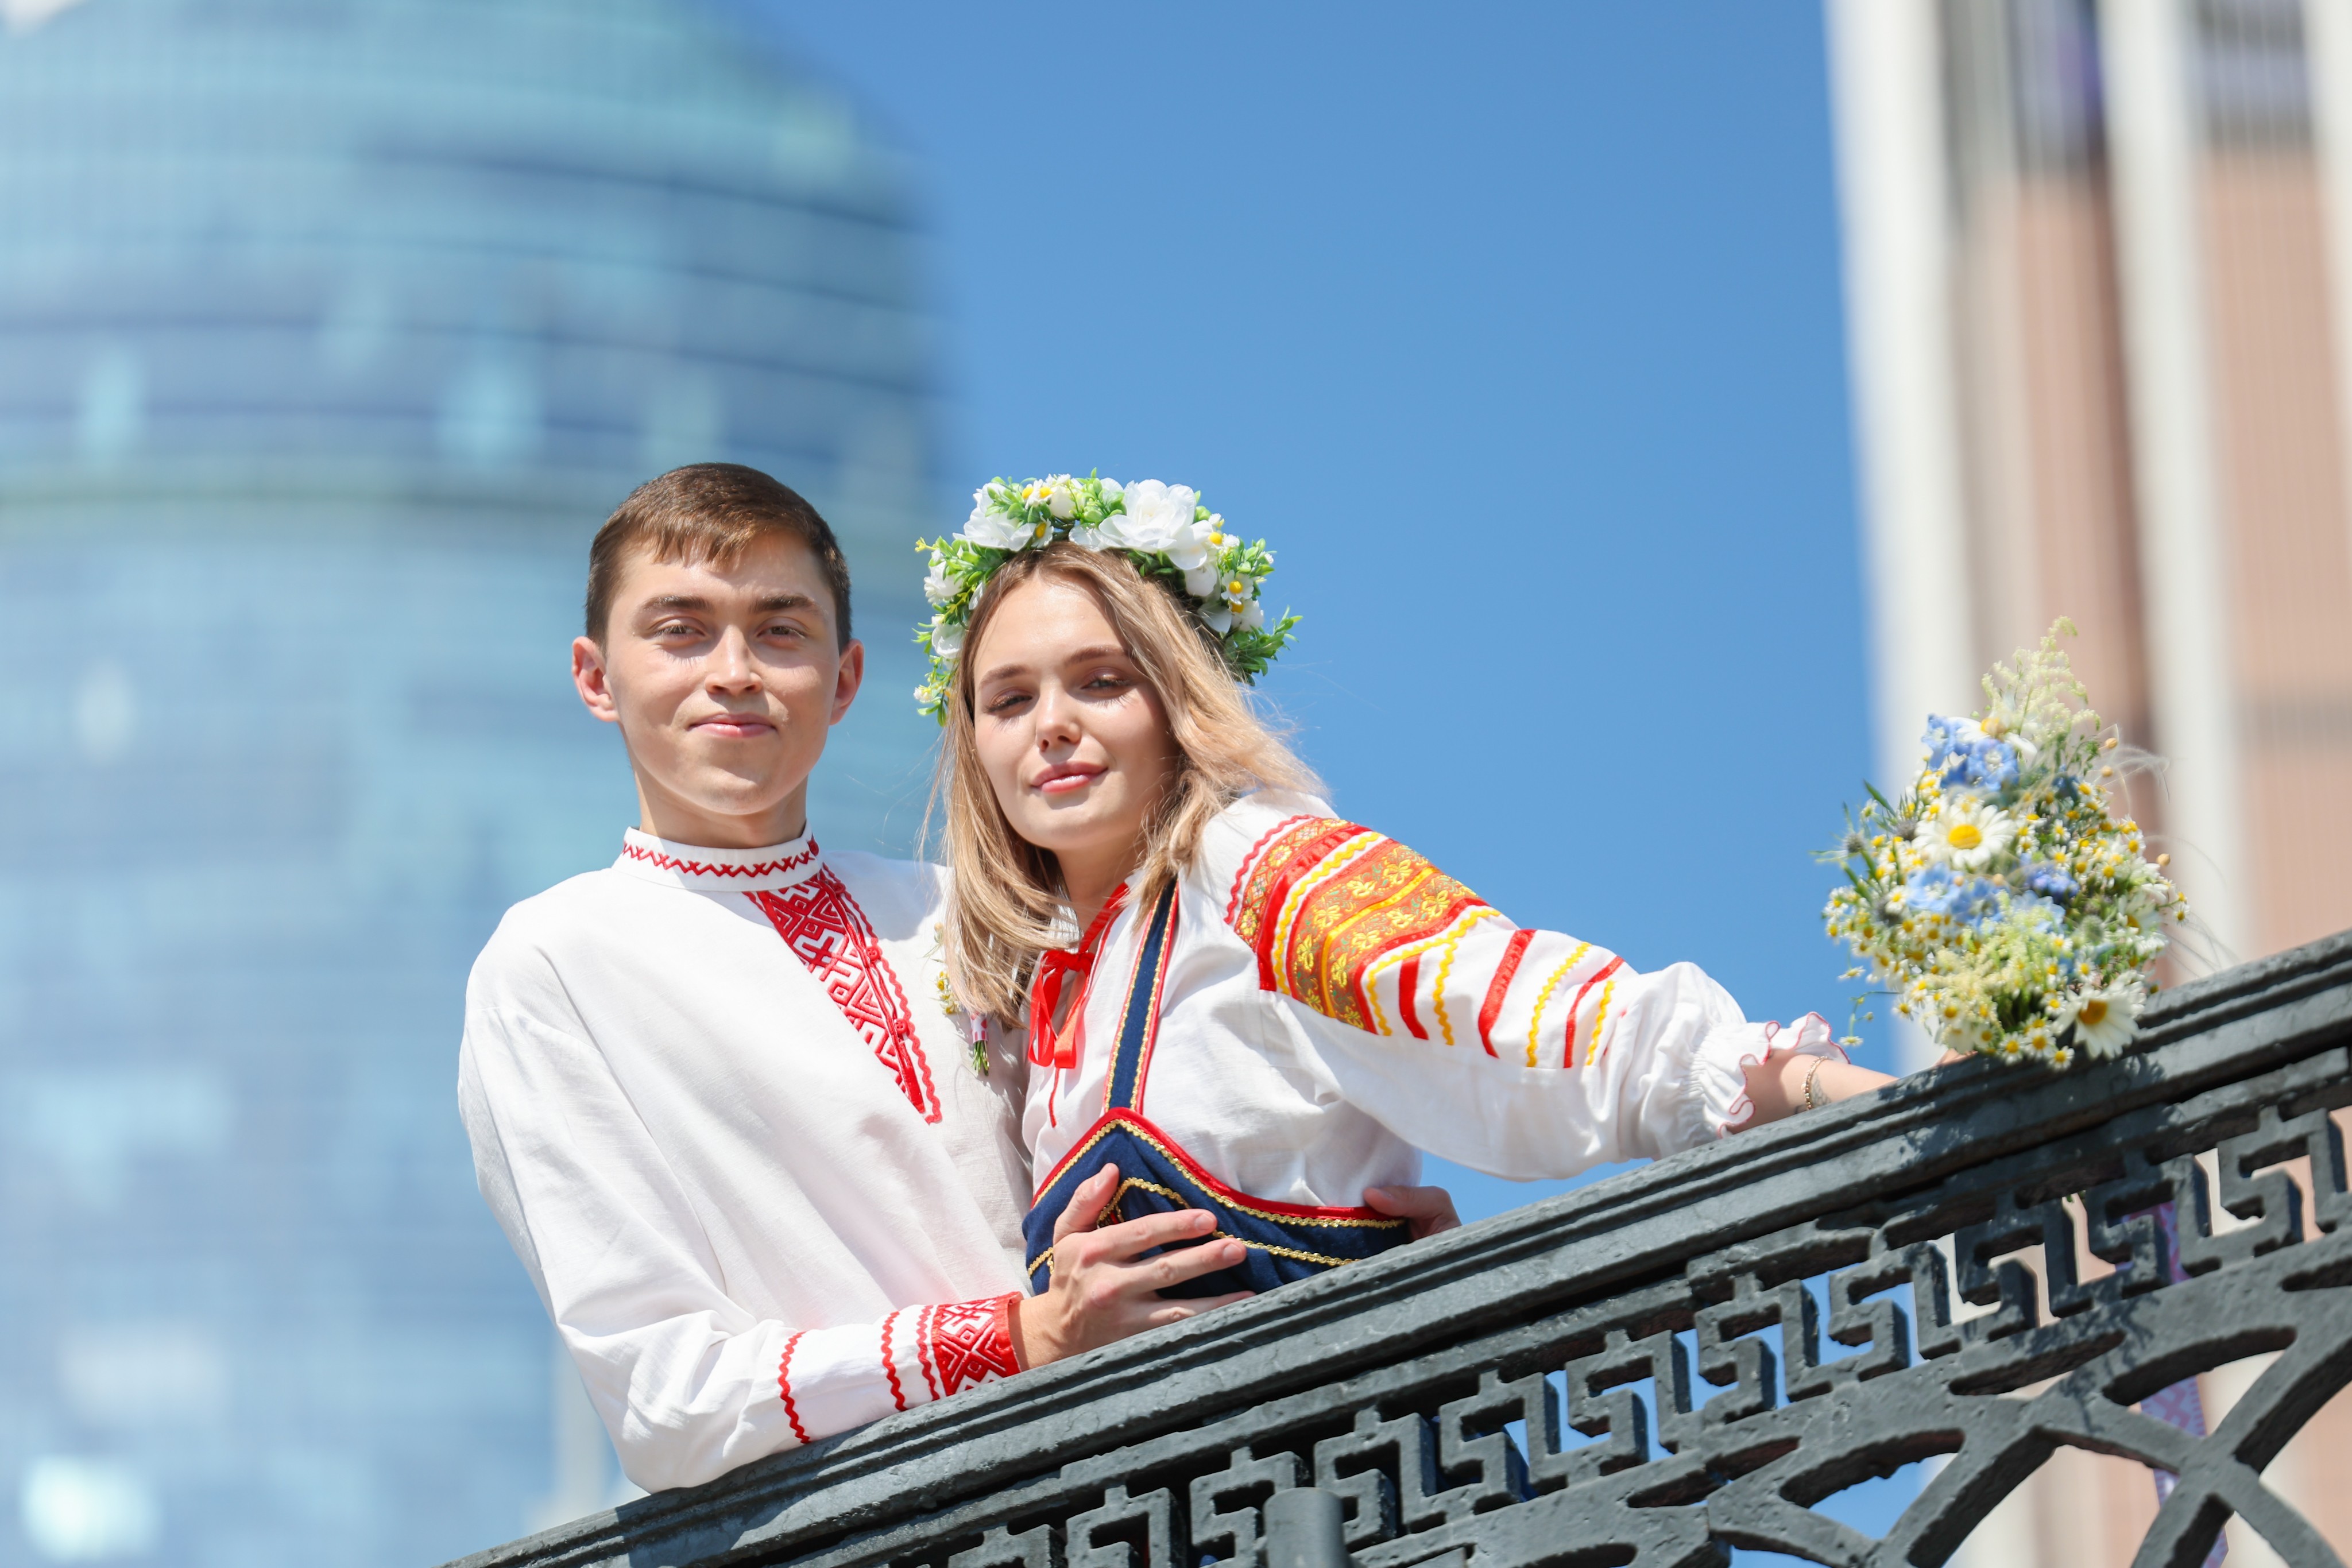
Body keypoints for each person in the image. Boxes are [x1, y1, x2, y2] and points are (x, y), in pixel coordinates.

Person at [458, 465, 1340, 1494]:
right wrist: (1018, 1337)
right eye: (681, 631)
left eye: (780, 631)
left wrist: (1354, 1245)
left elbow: (1178, 1152)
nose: (734, 671)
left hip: (1128, 1491)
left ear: (844, 680)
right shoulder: (558, 962)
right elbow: (670, 1402)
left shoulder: (972, 910)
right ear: (596, 676)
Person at [914, 474, 1900, 1308]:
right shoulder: (1038, 996)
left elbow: (1557, 1027)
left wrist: (1868, 1104)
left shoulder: (1253, 865)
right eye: (1010, 699)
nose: (1051, 724)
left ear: (1179, 699)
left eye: (1100, 681)